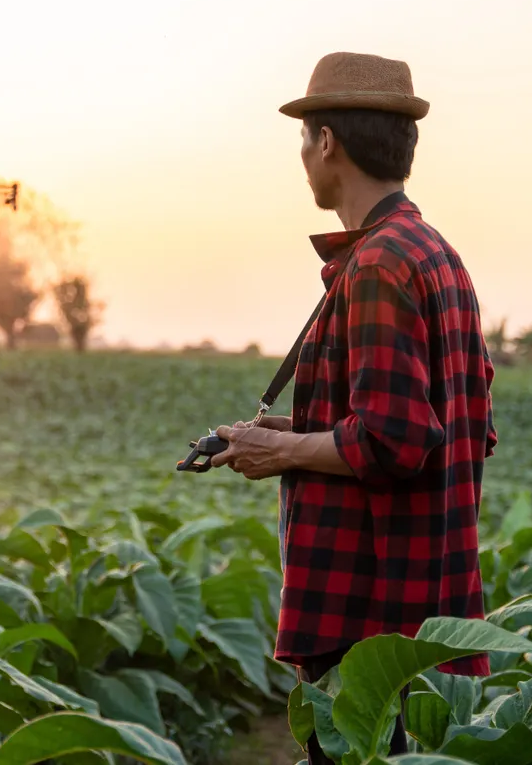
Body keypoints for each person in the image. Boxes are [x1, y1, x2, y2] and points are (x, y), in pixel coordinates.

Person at [211, 52, 496, 764]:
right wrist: (287, 432)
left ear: (327, 142)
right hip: (422, 605)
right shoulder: (434, 255)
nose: (303, 158)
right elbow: (460, 428)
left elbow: (396, 440)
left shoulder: (375, 267)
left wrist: (283, 453)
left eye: (304, 141)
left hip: (368, 614)